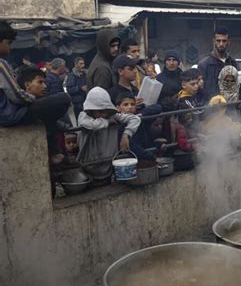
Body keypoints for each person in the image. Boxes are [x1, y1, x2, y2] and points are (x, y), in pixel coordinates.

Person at [0, 21, 70, 164]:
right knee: (63, 99)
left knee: (47, 114)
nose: (10, 47)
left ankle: (54, 135)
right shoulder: (1, 64)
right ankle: (55, 144)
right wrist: (34, 100)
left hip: (6, 115)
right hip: (10, 115)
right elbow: (16, 94)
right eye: (8, 43)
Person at [77, 87, 140, 186]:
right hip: (88, 168)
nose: (102, 114)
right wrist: (107, 122)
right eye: (98, 111)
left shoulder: (112, 116)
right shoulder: (83, 117)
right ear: (91, 110)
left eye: (104, 111)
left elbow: (135, 119)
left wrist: (126, 134)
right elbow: (91, 125)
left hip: (108, 166)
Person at [115, 92, 162, 162]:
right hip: (129, 160)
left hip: (143, 156)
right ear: (118, 108)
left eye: (132, 104)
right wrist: (153, 157)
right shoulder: (119, 125)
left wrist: (157, 144)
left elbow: (158, 108)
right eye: (125, 105)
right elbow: (134, 147)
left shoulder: (139, 119)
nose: (130, 107)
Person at [198, 27, 239, 97]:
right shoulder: (204, 64)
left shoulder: (233, 62)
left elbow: (235, 85)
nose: (221, 44)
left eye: (224, 41)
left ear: (228, 42)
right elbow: (201, 89)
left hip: (230, 104)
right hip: (211, 104)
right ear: (214, 41)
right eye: (218, 41)